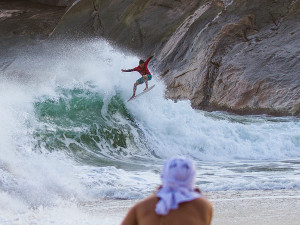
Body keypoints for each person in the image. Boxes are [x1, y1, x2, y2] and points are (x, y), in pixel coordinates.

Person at [121, 156, 213, 225]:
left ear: (164, 176)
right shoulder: (203, 206)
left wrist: (155, 195)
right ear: (191, 177)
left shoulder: (141, 207)